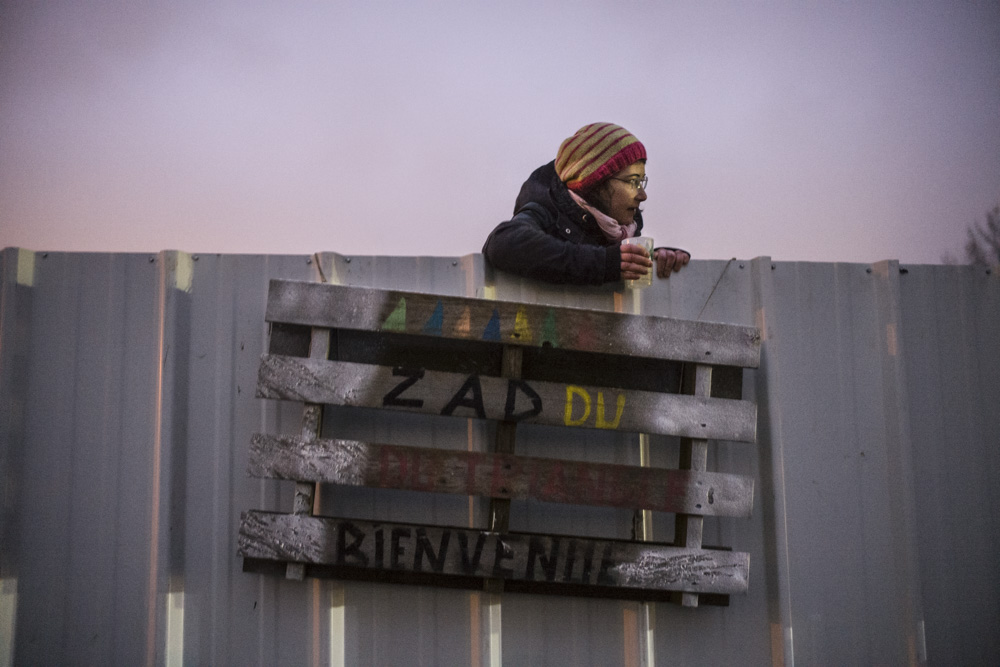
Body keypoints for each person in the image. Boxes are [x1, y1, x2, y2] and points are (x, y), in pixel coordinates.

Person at [482, 122, 690, 285]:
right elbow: (503, 244)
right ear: (595, 182)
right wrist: (606, 264)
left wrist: (654, 259)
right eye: (632, 182)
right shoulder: (545, 213)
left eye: (641, 182)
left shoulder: (619, 229)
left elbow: (610, 258)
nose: (642, 195)